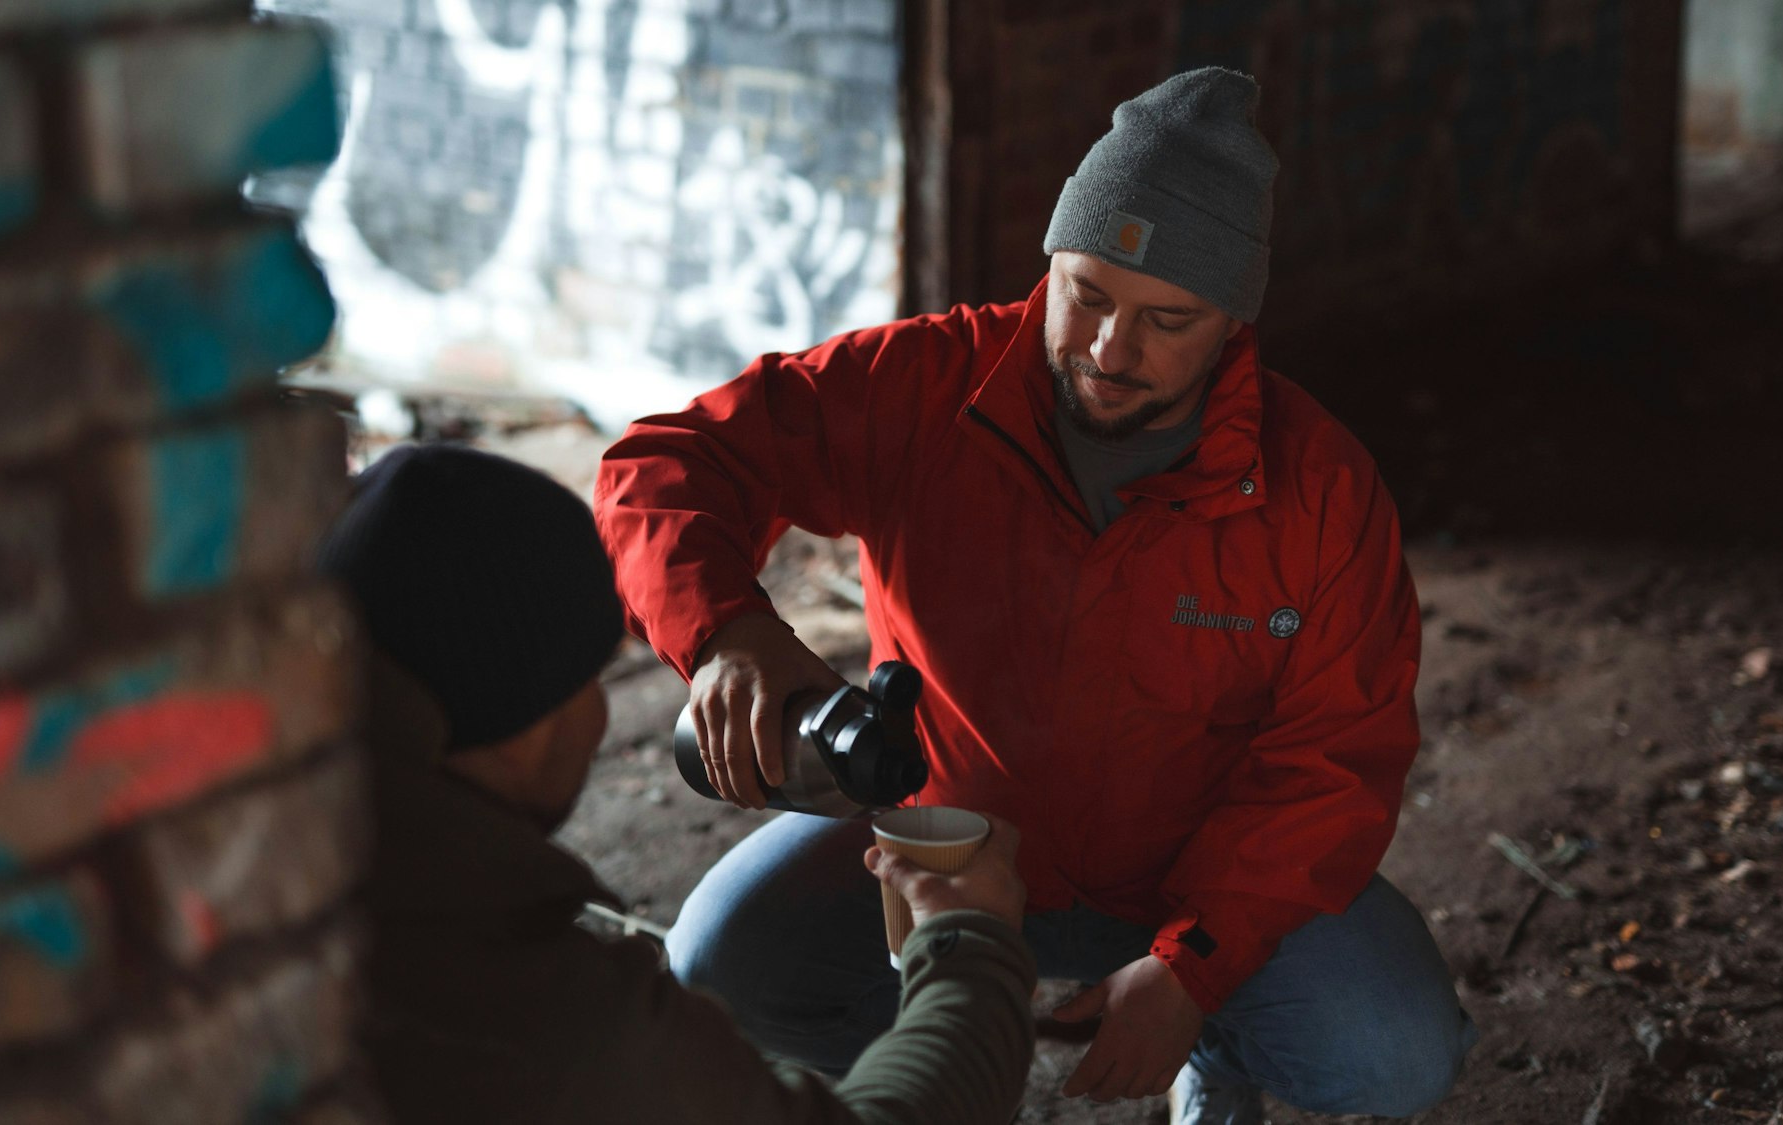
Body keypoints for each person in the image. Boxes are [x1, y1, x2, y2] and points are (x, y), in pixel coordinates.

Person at [596, 67, 1477, 1124]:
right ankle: (924, 1070)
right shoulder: (926, 387)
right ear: (1049, 262)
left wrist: (1194, 970)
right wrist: (727, 630)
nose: (1110, 350)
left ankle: (1217, 1057)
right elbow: (666, 463)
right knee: (715, 965)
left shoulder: (1318, 491)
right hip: (938, 849)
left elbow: (1330, 766)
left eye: (1167, 320)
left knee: (1393, 1052)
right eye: (1087, 293)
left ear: (1233, 322)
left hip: (1188, 880)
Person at [315, 443, 1037, 1125]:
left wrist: (732, 630)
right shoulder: (557, 1027)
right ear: (525, 729)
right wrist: (967, 948)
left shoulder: (276, 856)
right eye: (591, 676)